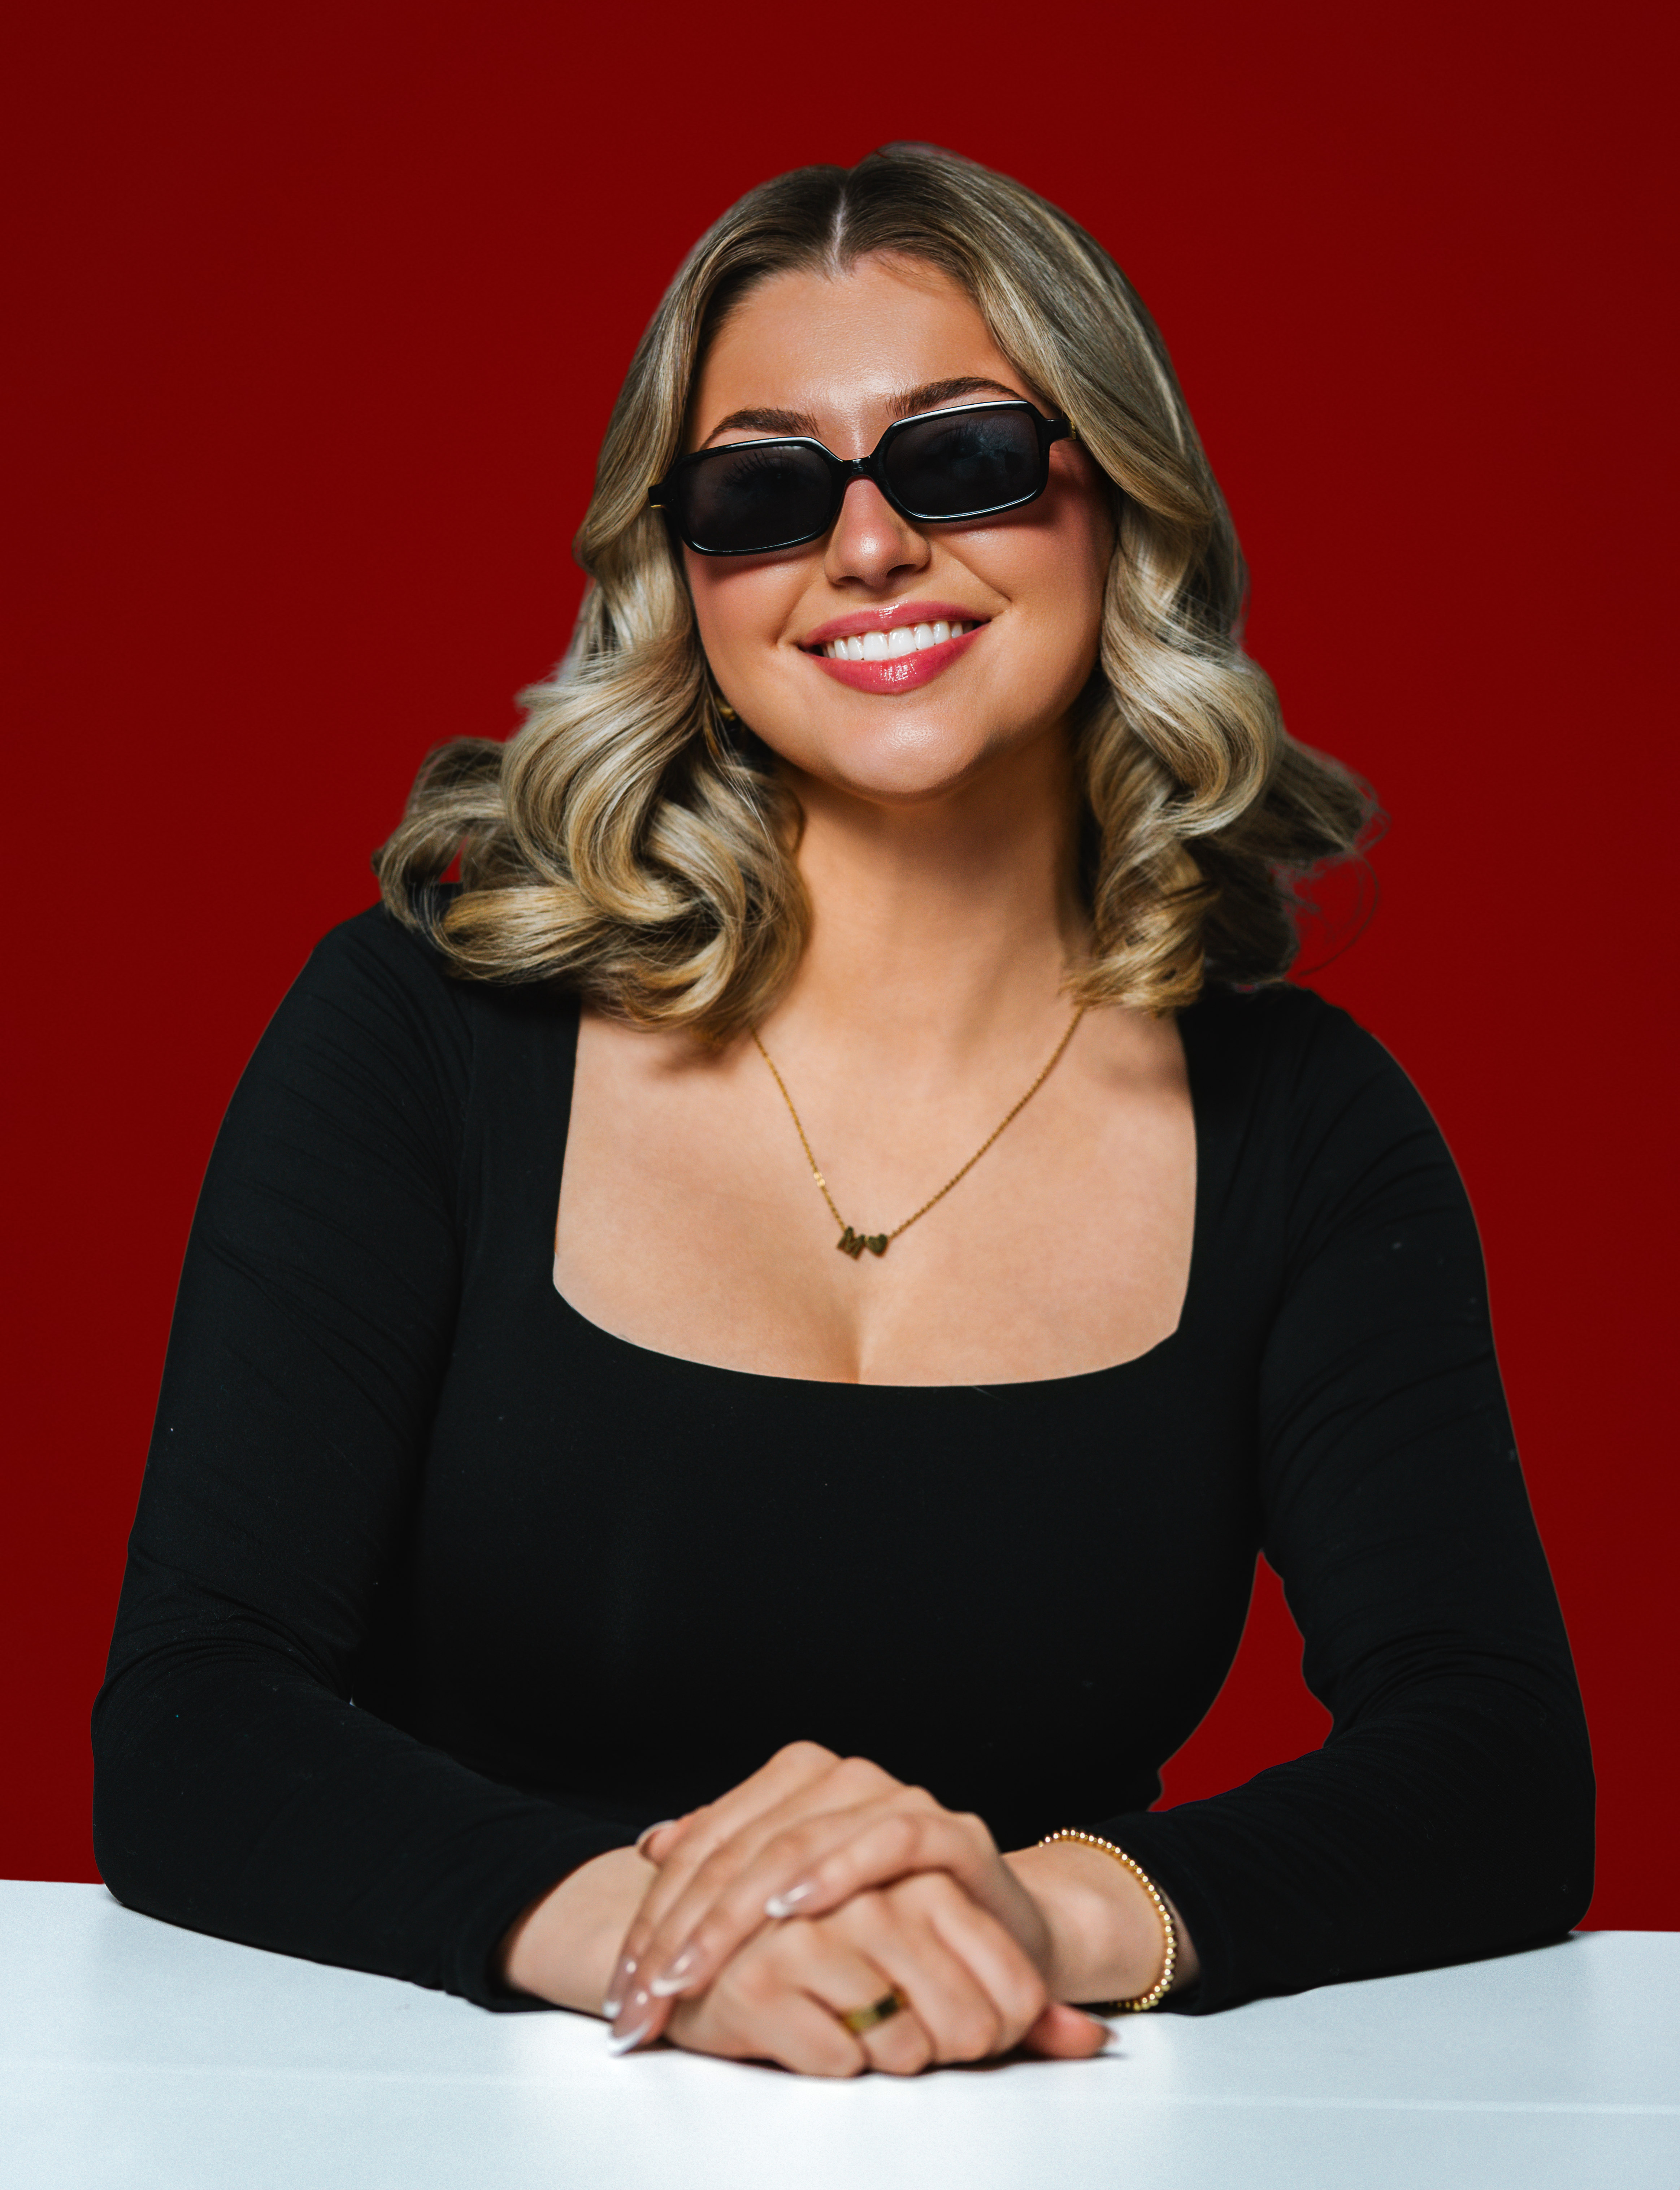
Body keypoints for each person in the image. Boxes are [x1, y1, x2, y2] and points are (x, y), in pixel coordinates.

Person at [92, 143, 1593, 2078]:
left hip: (1033, 2128)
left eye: (962, 459)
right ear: (685, 576)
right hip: (454, 2120)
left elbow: (1493, 1761)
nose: (867, 547)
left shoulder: (1307, 1130)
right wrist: (666, 1946)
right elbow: (197, 1713)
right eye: (765, 491)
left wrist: (1027, 1912)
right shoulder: (421, 1035)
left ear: (1119, 502)